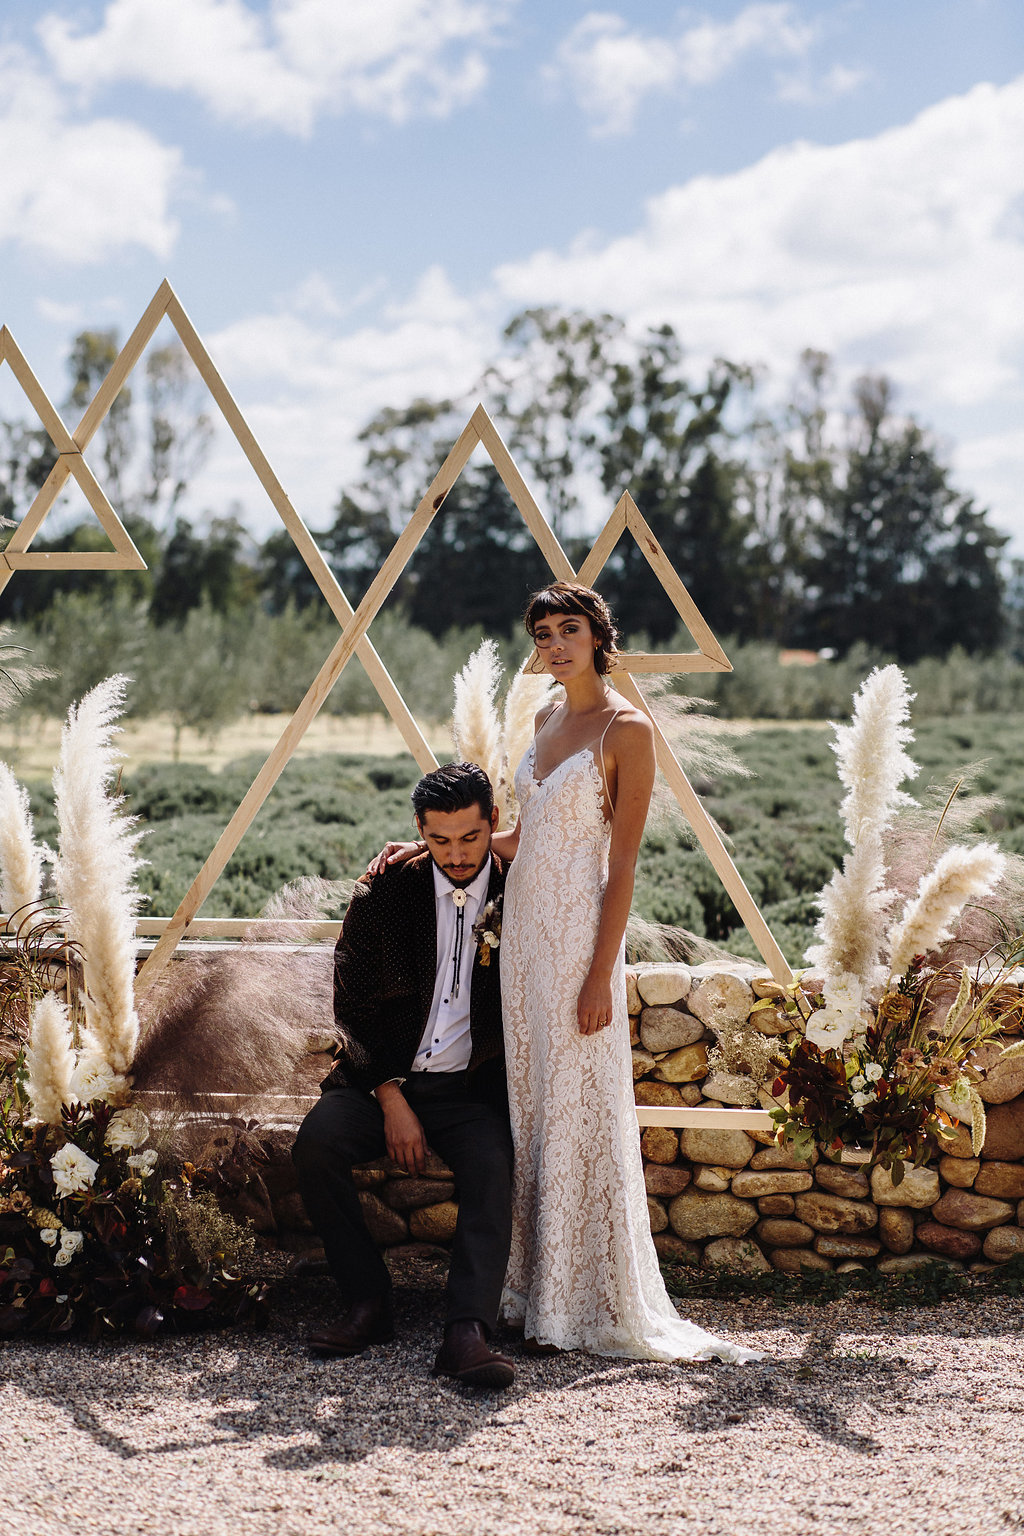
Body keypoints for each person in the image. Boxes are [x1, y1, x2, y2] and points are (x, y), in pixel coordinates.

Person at [377, 582, 758, 1364]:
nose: (555, 644)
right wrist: (426, 851)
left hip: (582, 944)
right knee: (533, 1113)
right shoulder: (547, 718)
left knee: (581, 1113)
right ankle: (529, 1291)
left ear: (598, 637)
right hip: (523, 947)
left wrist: (598, 978)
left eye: (568, 630)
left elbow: (621, 870)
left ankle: (584, 1298)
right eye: (543, 632)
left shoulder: (628, 731)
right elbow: (529, 834)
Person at [292, 762, 517, 1388]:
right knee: (316, 1144)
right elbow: (352, 1006)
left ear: (492, 824)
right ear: (418, 831)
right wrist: (389, 1095)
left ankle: (466, 1330)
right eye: (439, 840)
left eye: (470, 838)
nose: (456, 854)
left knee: (493, 1163)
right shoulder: (384, 892)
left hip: (471, 1089)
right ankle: (368, 1302)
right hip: (380, 1080)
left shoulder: (523, 891)